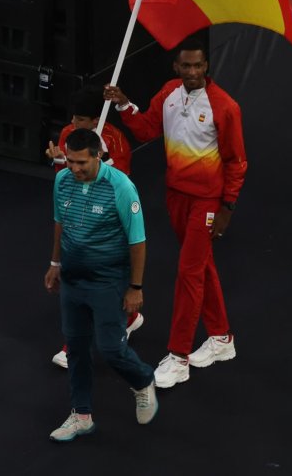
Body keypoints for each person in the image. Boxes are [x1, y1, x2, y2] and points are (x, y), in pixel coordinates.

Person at [104, 37, 246, 388]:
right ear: (177, 67)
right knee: (201, 265)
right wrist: (124, 106)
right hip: (176, 196)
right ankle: (222, 337)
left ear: (206, 66)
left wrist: (227, 206)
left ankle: (179, 356)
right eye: (187, 66)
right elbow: (148, 128)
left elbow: (236, 161)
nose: (193, 72)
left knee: (188, 272)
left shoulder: (225, 106)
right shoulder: (169, 92)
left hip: (207, 202)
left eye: (199, 66)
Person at [44, 128, 158, 441]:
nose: (75, 169)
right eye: (70, 161)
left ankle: (143, 379)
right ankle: (81, 415)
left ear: (98, 156)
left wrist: (135, 287)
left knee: (110, 349)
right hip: (72, 279)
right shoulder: (62, 180)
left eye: (82, 162)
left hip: (108, 280)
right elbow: (60, 222)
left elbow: (138, 240)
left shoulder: (121, 186)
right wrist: (55, 264)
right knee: (76, 350)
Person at [45, 87, 143, 368]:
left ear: (96, 119)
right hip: (77, 218)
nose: (74, 126)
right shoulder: (68, 135)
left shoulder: (118, 141)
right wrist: (58, 161)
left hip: (108, 222)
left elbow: (118, 184)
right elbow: (65, 178)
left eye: (81, 121)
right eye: (73, 119)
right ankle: (118, 324)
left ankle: (116, 324)